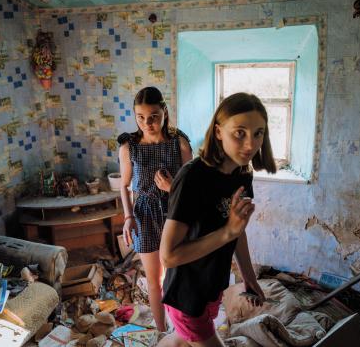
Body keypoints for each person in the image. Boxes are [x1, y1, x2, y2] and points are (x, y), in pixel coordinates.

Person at [159, 92, 277, 346]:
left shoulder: (242, 175)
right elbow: (168, 256)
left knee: (182, 339)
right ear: (219, 131)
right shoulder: (192, 177)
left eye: (258, 133)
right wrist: (227, 232)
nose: (250, 144)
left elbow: (238, 230)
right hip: (186, 294)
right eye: (240, 132)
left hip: (212, 286)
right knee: (195, 336)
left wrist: (249, 277)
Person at [118, 86, 193, 332]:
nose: (147, 123)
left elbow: (193, 189)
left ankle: (183, 329)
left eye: (153, 117)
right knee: (153, 280)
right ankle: (162, 331)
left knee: (177, 276)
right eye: (140, 117)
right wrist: (128, 217)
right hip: (144, 215)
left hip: (176, 212)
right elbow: (125, 185)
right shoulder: (129, 147)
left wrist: (173, 188)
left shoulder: (179, 144)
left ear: (164, 112)